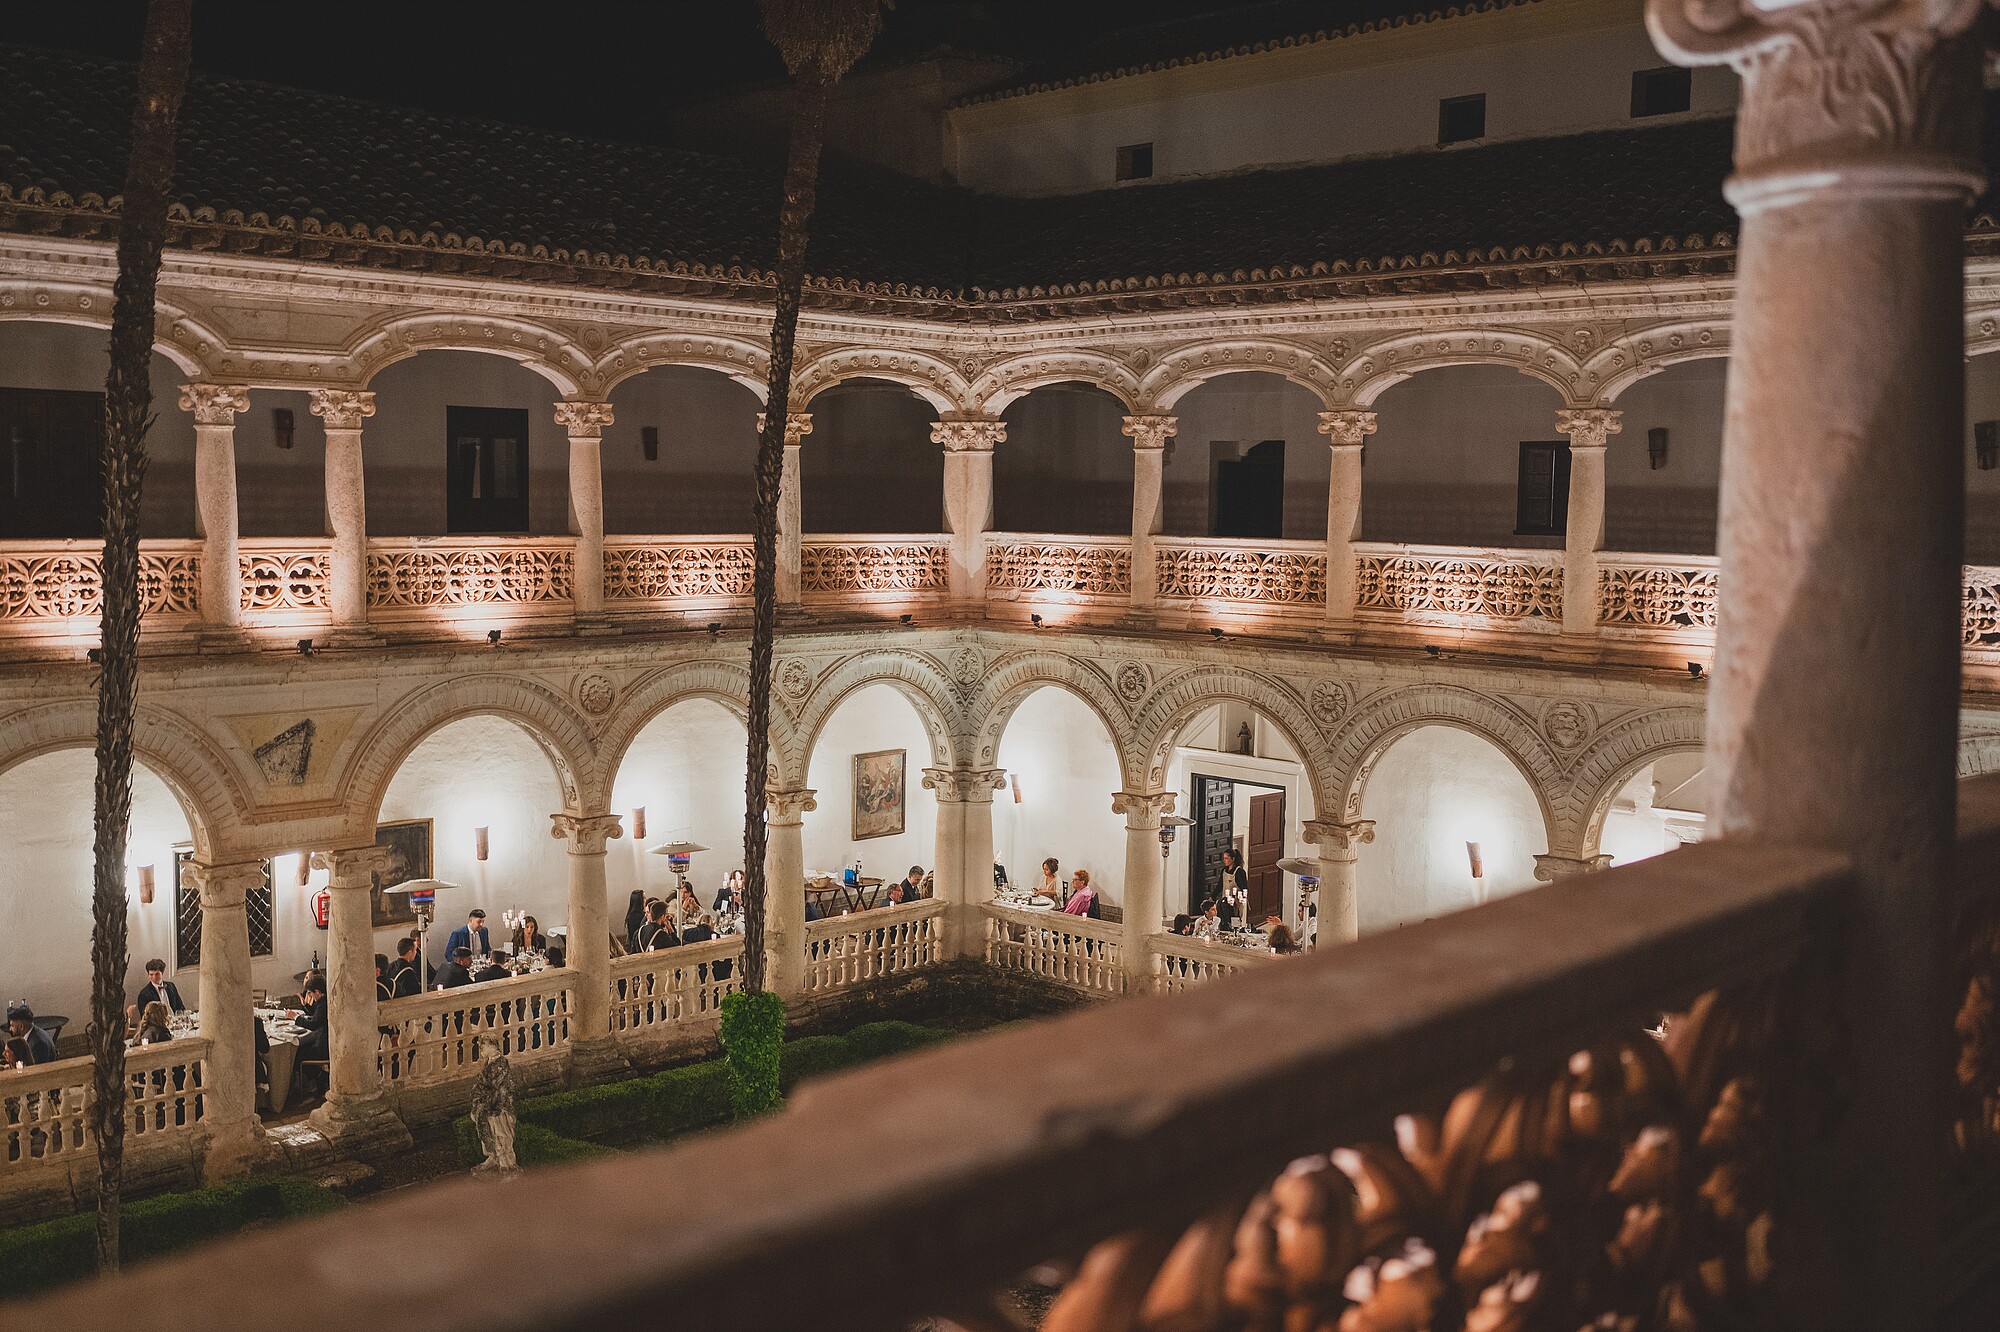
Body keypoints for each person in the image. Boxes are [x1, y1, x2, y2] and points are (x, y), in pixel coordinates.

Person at [1217, 850, 1247, 931]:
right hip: (1225, 901)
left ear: (1233, 859)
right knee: (1224, 921)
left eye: (1227, 858)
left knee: (1234, 922)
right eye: (1224, 858)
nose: (1224, 860)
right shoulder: (1224, 871)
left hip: (1235, 902)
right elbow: (1220, 885)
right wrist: (1212, 897)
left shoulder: (1239, 872)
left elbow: (1244, 888)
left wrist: (1237, 897)